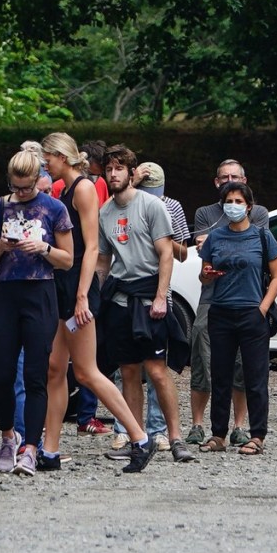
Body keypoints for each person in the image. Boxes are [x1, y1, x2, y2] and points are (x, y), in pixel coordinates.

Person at [39, 132, 136, 467]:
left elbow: (92, 247)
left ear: (62, 157)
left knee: (86, 372)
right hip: (61, 287)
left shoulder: (82, 188)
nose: (44, 164)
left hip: (78, 287)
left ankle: (139, 437)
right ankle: (49, 448)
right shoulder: (62, 190)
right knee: (55, 369)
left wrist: (82, 296)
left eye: (47, 157)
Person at [89, 146, 178, 469]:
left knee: (155, 369)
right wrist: (94, 294)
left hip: (148, 293)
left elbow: (166, 254)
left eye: (119, 168)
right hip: (120, 297)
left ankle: (175, 436)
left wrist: (160, 296)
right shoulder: (105, 212)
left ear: (132, 172)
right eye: (109, 169)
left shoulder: (152, 206)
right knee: (126, 371)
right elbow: (103, 258)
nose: (113, 174)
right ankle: (135, 436)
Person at [0, 147, 68, 474]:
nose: (20, 193)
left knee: (36, 374)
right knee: (2, 374)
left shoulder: (53, 208)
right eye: (15, 186)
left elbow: (68, 258)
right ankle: (8, 434)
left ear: (38, 179)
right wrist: (4, 245)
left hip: (40, 291)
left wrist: (44, 248)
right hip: (7, 292)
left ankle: (31, 447)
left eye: (27, 187)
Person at [196, 182, 277, 452]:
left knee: (255, 376)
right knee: (220, 375)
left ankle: (257, 435)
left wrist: (263, 308)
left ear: (249, 206)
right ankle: (218, 434)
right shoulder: (216, 237)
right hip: (220, 311)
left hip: (252, 313)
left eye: (238, 201)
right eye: (228, 201)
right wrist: (206, 275)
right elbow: (203, 274)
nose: (233, 206)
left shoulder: (262, 236)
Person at [184, 160, 249, 437]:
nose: (229, 180)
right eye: (224, 177)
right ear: (216, 182)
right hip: (211, 296)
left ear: (245, 181)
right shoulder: (204, 212)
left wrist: (214, 241)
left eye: (234, 177)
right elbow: (202, 249)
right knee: (201, 350)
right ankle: (198, 424)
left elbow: (255, 241)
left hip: (246, 297)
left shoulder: (258, 213)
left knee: (241, 364)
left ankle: (239, 426)